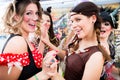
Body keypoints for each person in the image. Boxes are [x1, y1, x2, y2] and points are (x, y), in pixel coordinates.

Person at [49, 1, 112, 80]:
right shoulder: (77, 42)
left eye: (78, 19)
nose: (73, 25)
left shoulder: (97, 56)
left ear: (93, 18)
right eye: (72, 21)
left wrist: (55, 75)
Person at [0, 0, 58, 80]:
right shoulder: (18, 42)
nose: (35, 18)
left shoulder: (26, 40)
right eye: (28, 13)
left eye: (36, 13)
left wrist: (43, 39)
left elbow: (36, 63)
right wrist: (44, 74)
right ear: (16, 17)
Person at [99, 7, 120, 80]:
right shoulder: (93, 45)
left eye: (106, 24)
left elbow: (110, 70)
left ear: (112, 28)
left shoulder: (111, 46)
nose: (102, 26)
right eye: (99, 23)